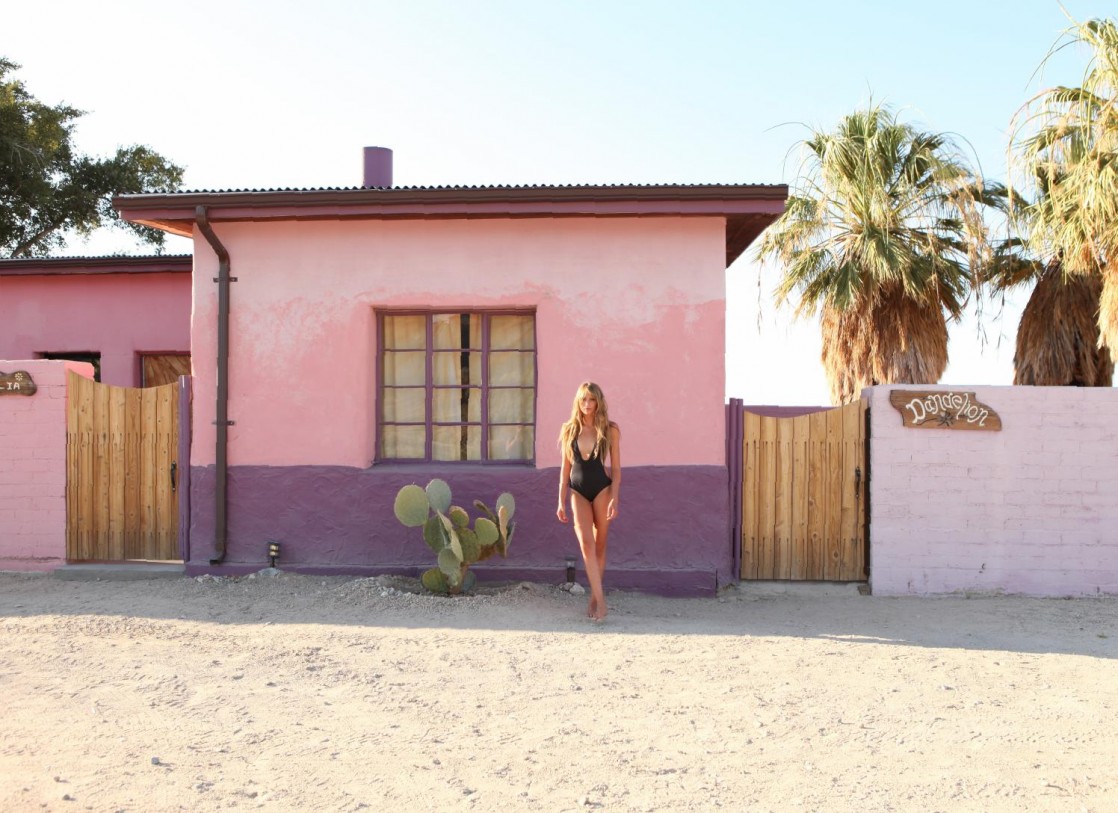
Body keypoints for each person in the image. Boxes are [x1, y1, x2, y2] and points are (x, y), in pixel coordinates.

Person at [556, 381, 621, 621]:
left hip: (602, 490)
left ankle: (594, 599)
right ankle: (602, 603)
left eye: (591, 399)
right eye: (583, 399)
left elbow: (616, 469)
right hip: (578, 492)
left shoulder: (610, 429)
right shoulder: (569, 430)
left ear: (598, 402)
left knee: (600, 546)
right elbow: (565, 469)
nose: (587, 404)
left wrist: (615, 498)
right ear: (578, 401)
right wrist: (560, 500)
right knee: (586, 545)